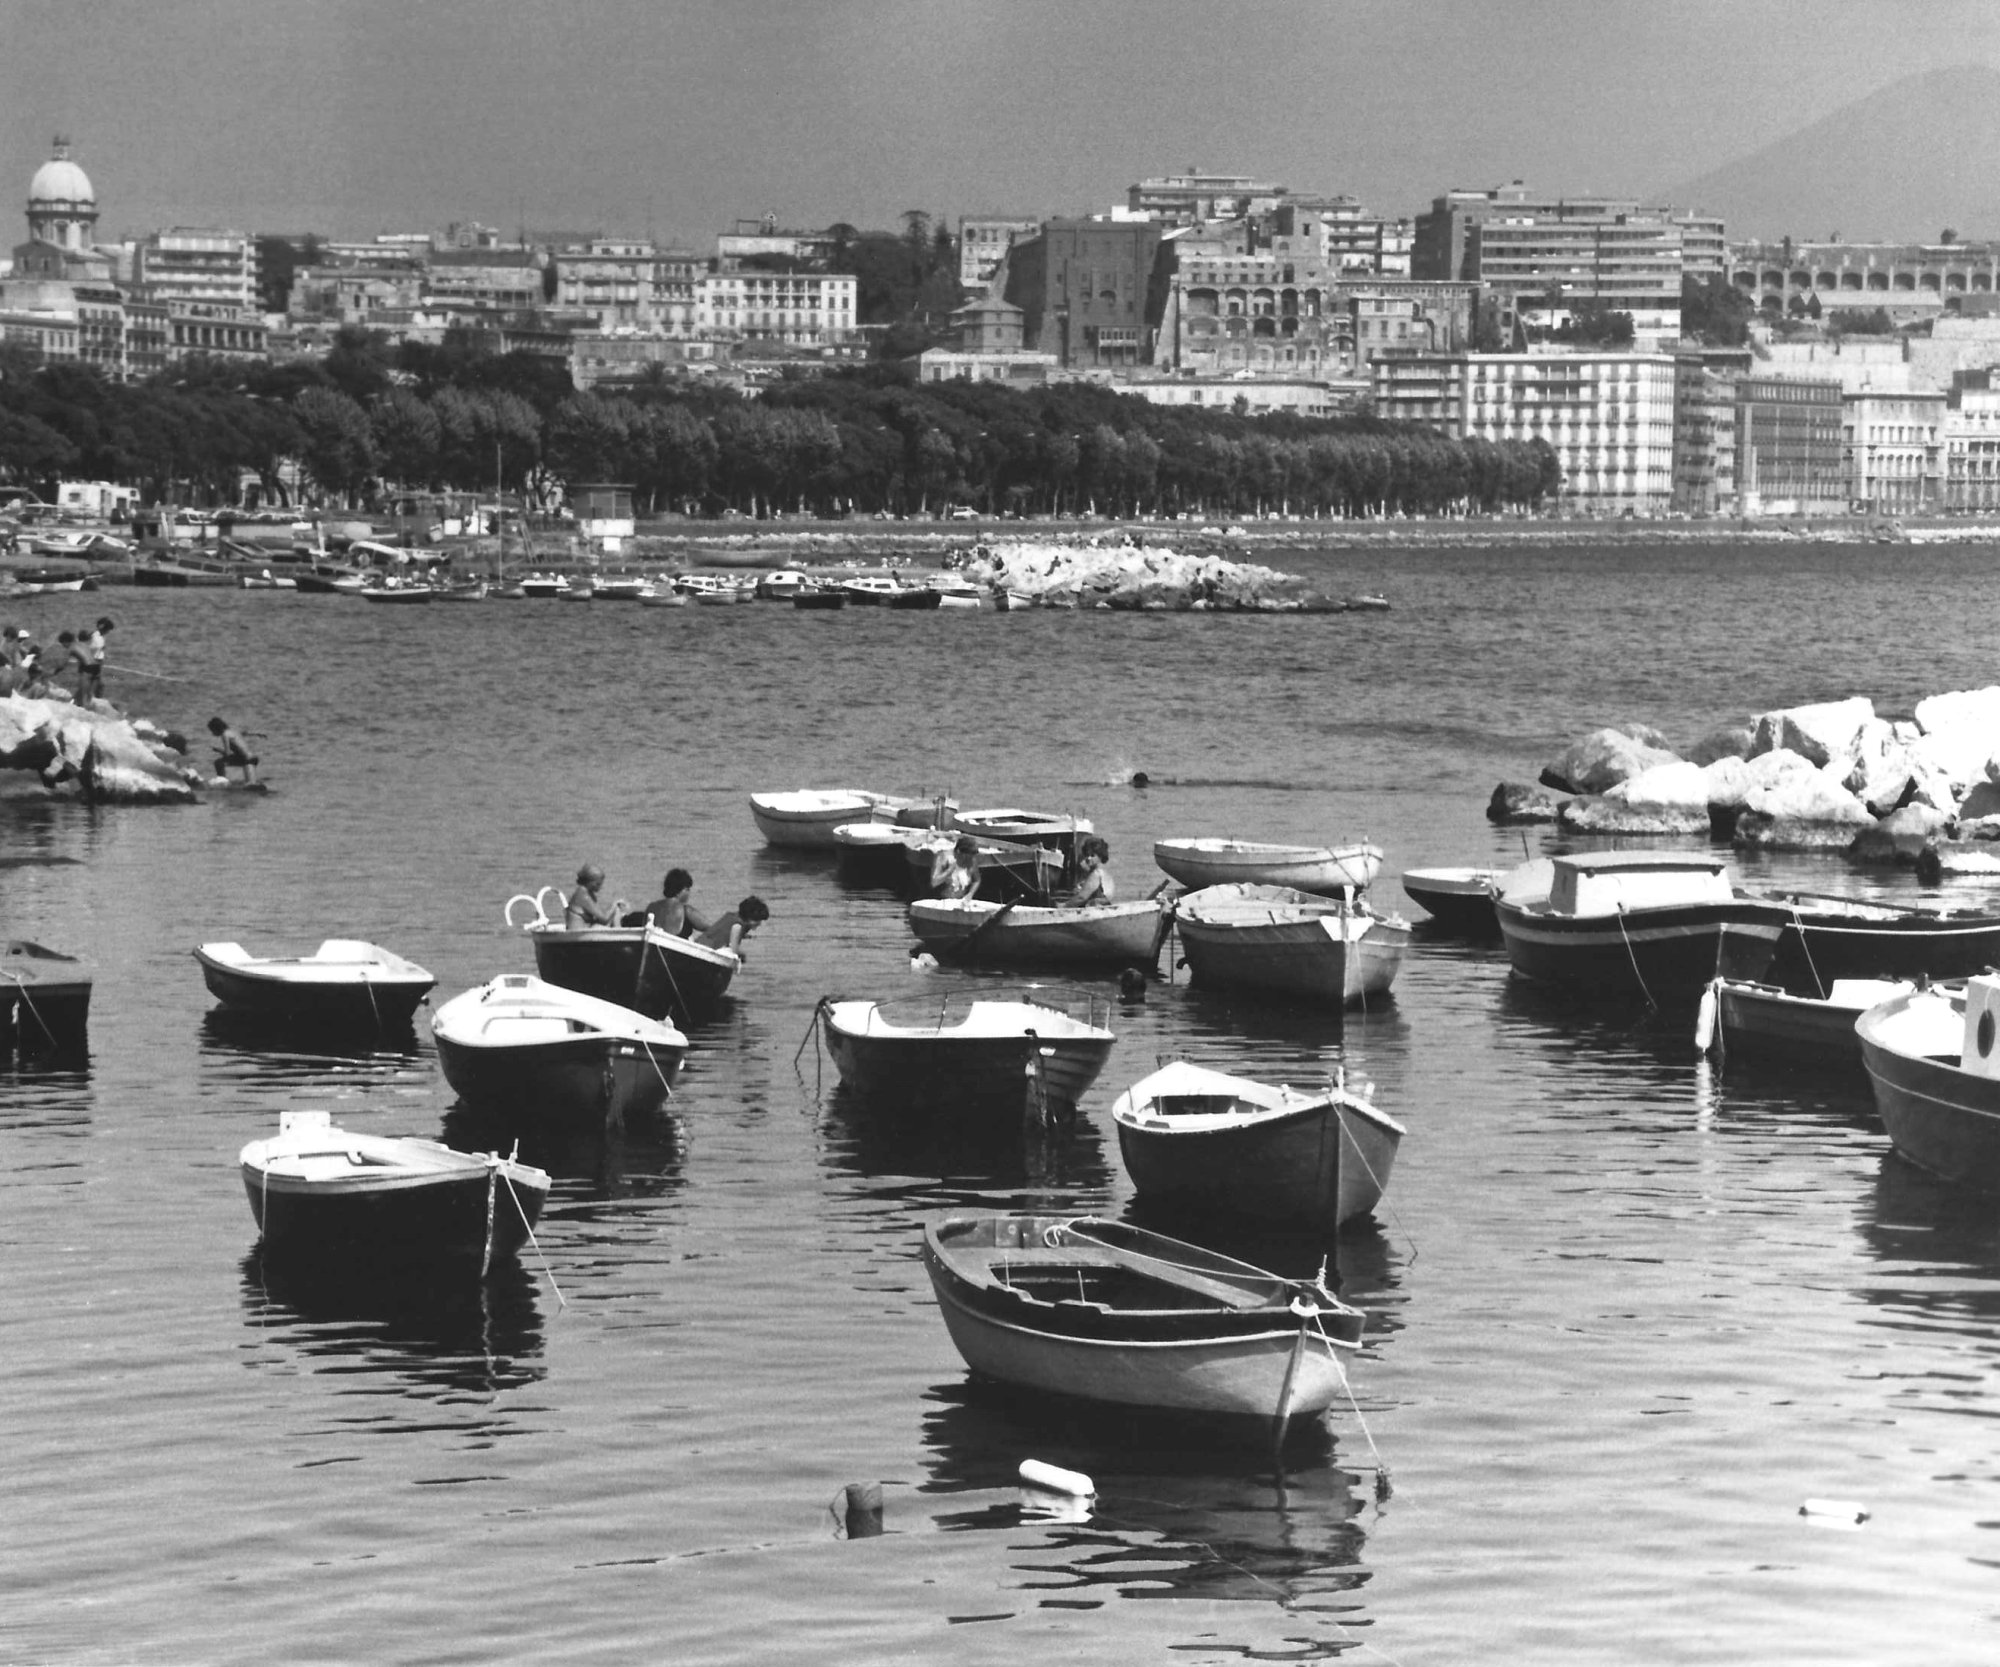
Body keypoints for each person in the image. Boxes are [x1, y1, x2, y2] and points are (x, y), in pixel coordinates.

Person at [642, 867, 712, 938]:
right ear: (679, 890)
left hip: (654, 947)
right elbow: (712, 928)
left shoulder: (651, 907)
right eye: (687, 889)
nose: (689, 893)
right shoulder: (686, 911)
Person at [696, 895, 770, 955]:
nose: (759, 923)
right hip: (706, 951)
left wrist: (743, 935)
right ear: (748, 918)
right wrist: (741, 955)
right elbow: (733, 950)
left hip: (699, 944)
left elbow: (724, 931)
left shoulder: (731, 917)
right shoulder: (737, 926)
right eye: (757, 920)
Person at [564, 863, 619, 928]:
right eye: (598, 884)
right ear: (589, 882)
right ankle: (621, 935)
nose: (600, 887)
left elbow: (600, 917)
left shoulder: (588, 893)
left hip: (586, 930)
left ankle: (620, 933)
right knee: (615, 909)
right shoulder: (583, 895)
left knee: (616, 911)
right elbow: (604, 919)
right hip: (579, 932)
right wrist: (614, 905)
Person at [207, 716, 259, 784]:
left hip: (246, 760)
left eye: (212, 731)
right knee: (251, 782)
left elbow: (227, 754)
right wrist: (257, 734)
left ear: (216, 728)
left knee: (218, 763)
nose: (212, 733)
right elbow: (244, 734)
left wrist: (218, 750)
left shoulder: (224, 735)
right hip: (253, 757)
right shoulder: (233, 731)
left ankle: (222, 781)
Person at [1067, 836, 1114, 907]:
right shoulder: (1104, 871)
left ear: (1100, 856)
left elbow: (1082, 897)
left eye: (1092, 855)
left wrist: (1064, 906)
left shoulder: (1096, 874)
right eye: (1087, 855)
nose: (1088, 858)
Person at [931, 834, 982, 900]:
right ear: (958, 852)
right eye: (966, 857)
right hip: (941, 899)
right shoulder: (943, 857)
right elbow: (934, 882)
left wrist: (970, 894)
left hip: (961, 900)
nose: (968, 861)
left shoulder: (971, 860)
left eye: (971, 857)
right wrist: (950, 870)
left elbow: (977, 880)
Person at [77, 618, 110, 703]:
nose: (108, 632)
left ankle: (90, 701)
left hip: (97, 663)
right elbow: (84, 643)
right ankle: (83, 702)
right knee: (88, 685)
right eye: (107, 629)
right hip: (91, 662)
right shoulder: (93, 636)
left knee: (98, 685)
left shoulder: (101, 637)